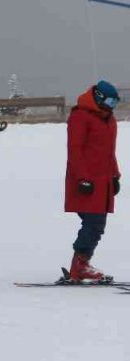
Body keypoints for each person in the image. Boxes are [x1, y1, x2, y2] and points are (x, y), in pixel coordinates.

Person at [64, 80, 120, 282]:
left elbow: (109, 153)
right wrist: (82, 179)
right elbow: (75, 150)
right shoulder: (80, 117)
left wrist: (115, 175)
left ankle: (81, 264)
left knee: (97, 224)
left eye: (115, 103)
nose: (112, 106)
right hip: (86, 180)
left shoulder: (108, 120)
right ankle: (79, 266)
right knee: (93, 223)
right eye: (110, 101)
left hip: (103, 180)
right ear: (98, 97)